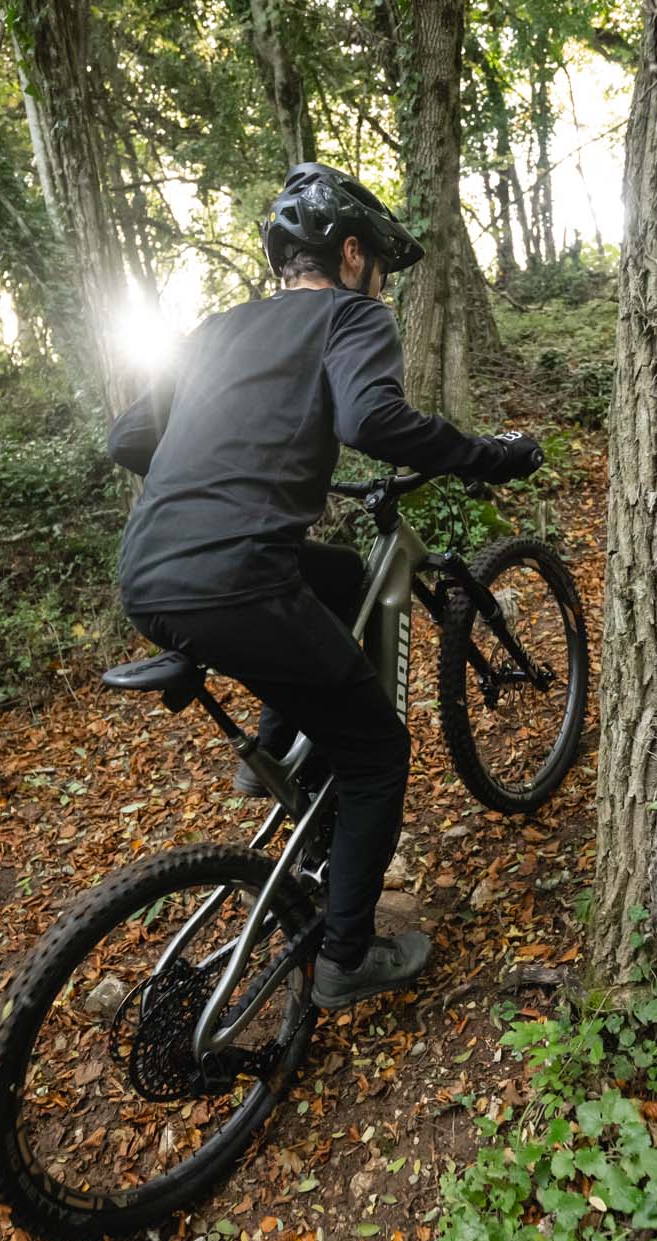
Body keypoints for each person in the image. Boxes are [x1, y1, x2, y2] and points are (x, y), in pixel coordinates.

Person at [105, 164, 540, 1009]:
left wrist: (225, 464)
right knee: (378, 751)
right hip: (237, 579)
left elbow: (128, 438)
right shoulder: (350, 313)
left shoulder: (215, 329)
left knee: (339, 575)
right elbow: (370, 418)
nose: (381, 283)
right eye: (377, 263)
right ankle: (346, 957)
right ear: (349, 254)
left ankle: (274, 752)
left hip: (148, 573)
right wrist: (486, 454)